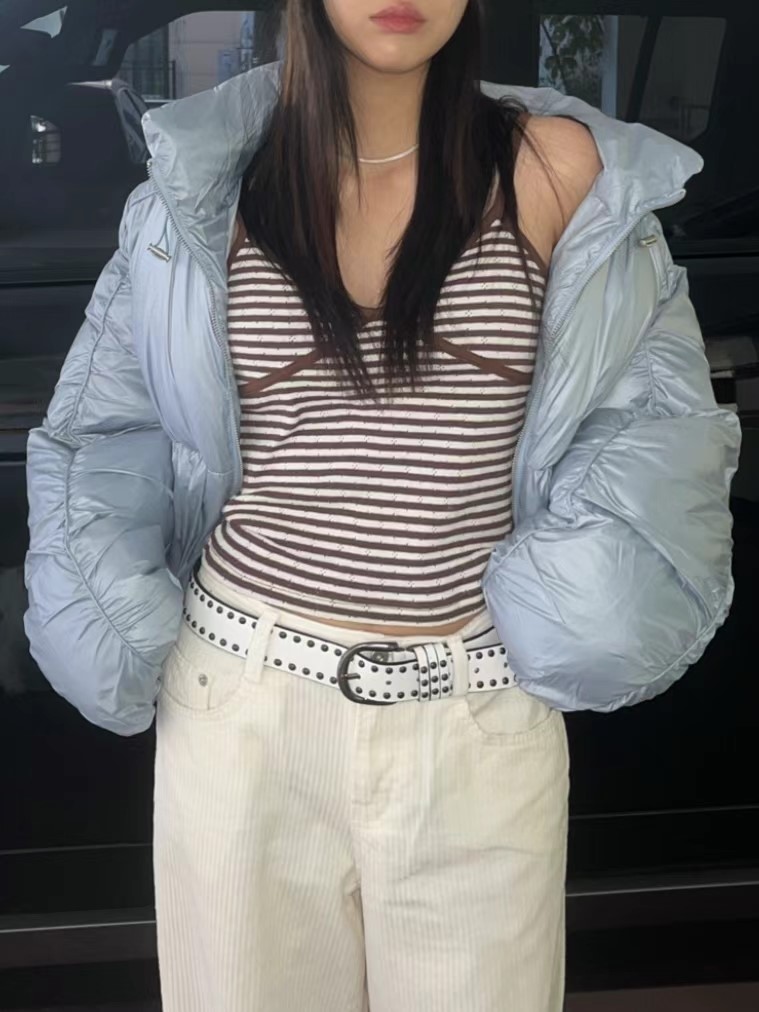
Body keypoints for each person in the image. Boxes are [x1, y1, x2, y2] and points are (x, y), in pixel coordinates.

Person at [23, 2, 741, 1010]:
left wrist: (578, 604)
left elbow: (654, 427)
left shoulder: (560, 173)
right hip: (240, 707)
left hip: (474, 711)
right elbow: (107, 427)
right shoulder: (207, 184)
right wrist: (101, 609)